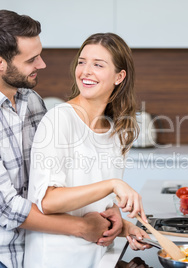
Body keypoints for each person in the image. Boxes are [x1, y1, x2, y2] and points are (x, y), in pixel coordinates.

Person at [0, 10, 125, 268]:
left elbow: (51, 176)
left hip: (31, 249)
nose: (42, 64)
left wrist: (111, 214)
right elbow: (7, 209)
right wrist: (83, 226)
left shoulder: (31, 100)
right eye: (32, 59)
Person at [24, 33, 150, 268]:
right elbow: (47, 201)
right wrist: (113, 184)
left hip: (99, 256)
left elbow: (98, 203)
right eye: (82, 62)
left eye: (98, 65)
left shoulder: (118, 131)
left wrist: (122, 225)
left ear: (119, 76)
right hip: (56, 259)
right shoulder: (59, 119)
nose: (85, 71)